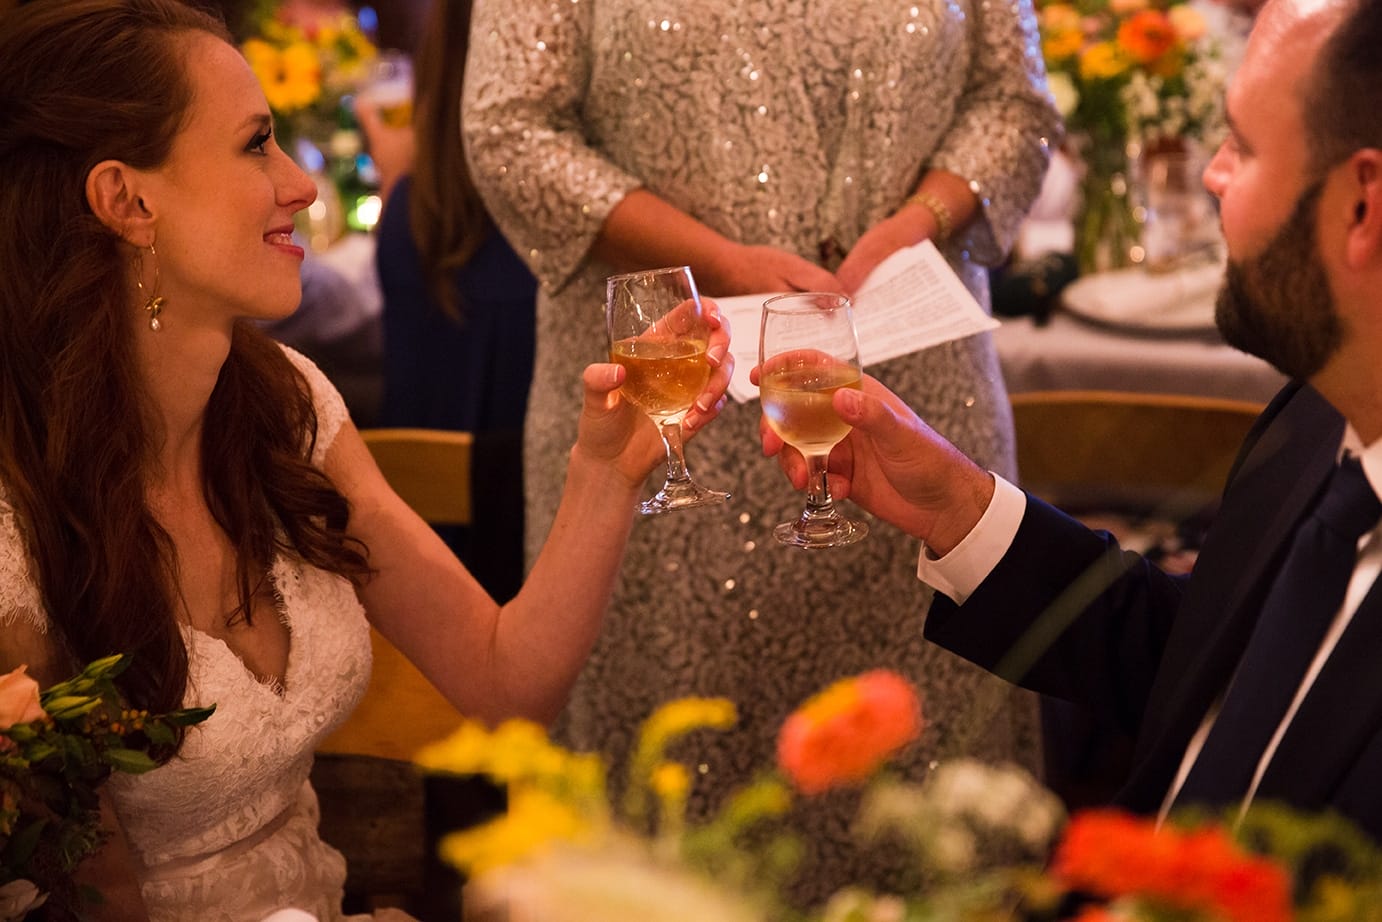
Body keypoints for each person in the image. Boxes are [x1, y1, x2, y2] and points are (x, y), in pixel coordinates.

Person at [0, 2, 730, 919]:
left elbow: (508, 688)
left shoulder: (289, 409)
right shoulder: (17, 532)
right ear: (127, 201)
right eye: (257, 144)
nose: (303, 184)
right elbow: (92, 900)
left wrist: (606, 472)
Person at [463, 0, 1061, 902]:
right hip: (672, 386)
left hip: (911, 380)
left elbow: (1015, 103)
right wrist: (721, 259)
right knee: (676, 779)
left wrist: (913, 225)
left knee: (927, 780)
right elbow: (511, 128)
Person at [761, 0, 1382, 839]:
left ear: (1362, 207)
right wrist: (958, 509)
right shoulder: (1311, 425)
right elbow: (1194, 668)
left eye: (1242, 144)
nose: (1212, 174)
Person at [356, 0, 537, 604]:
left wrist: (394, 180)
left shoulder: (414, 209)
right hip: (532, 552)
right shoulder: (555, 224)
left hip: (431, 568)